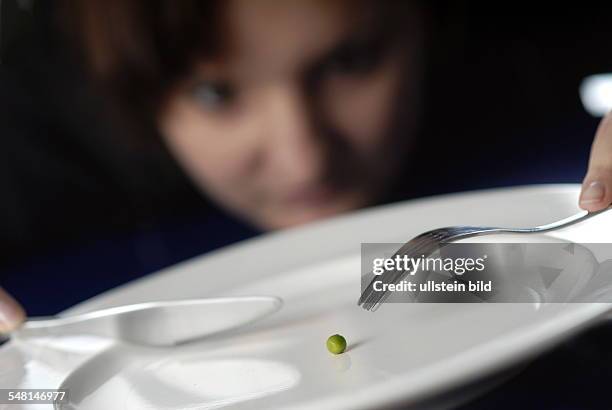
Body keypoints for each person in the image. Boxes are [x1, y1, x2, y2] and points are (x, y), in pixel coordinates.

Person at [0, 0, 610, 334]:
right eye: (215, 94)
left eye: (350, 62)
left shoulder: (514, 36)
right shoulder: (40, 118)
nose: (304, 157)